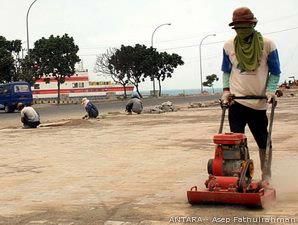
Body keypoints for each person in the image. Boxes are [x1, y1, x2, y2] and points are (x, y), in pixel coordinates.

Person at [221, 7, 281, 180]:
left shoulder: (268, 44)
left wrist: (270, 91)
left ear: (253, 24)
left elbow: (275, 72)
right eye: (238, 27)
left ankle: (266, 176)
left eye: (245, 26)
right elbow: (226, 71)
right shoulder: (228, 45)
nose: (241, 30)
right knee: (236, 143)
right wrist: (226, 91)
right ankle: (241, 175)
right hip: (236, 101)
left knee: (264, 140)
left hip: (258, 103)